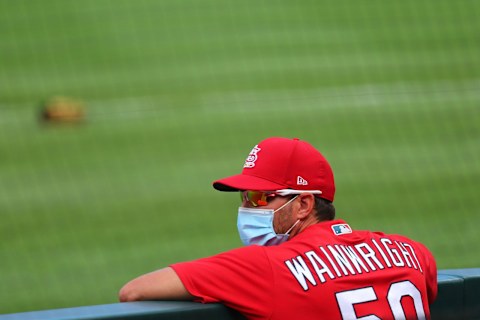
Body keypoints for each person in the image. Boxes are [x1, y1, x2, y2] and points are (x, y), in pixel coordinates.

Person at [119, 137, 438, 319]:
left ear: (303, 205)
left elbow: (134, 291)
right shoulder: (411, 252)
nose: (246, 208)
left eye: (259, 198)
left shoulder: (268, 268)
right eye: (244, 197)